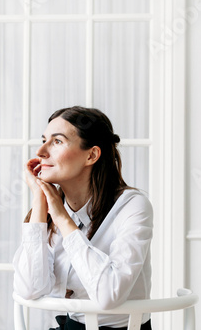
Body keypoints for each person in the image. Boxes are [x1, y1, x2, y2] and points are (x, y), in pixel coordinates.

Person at [13, 106, 153, 330]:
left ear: (91, 155)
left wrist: (62, 219)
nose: (40, 151)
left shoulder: (132, 205)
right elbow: (29, 288)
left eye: (57, 141)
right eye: (43, 140)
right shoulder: (53, 207)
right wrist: (39, 201)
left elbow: (109, 296)